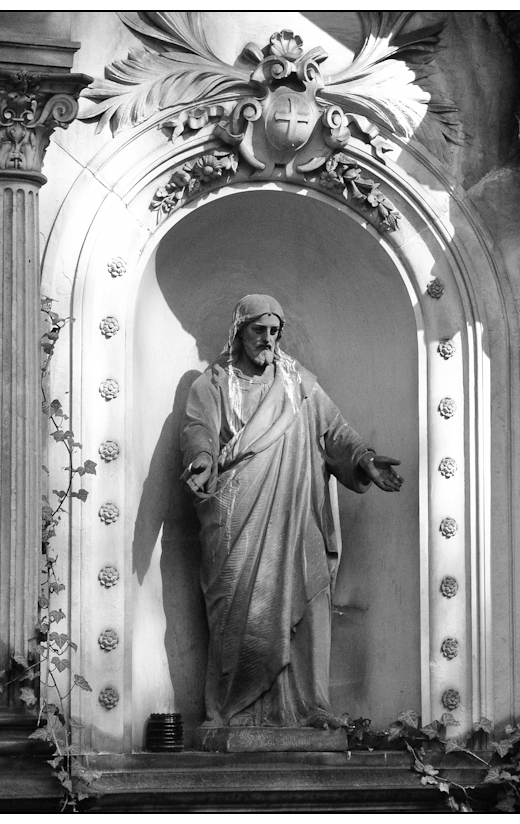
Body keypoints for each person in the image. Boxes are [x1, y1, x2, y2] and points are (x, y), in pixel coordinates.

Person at [181, 295, 403, 729]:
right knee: (240, 609)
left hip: (298, 517)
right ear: (239, 332)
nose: (267, 339)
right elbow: (198, 429)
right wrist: (203, 459)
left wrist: (364, 459)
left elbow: (335, 431)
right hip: (239, 514)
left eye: (274, 331)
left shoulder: (298, 383)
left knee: (306, 597)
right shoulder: (212, 384)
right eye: (258, 330)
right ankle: (235, 710)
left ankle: (308, 708)